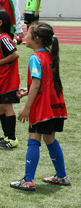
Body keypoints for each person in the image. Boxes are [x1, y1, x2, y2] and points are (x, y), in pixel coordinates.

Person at [11, 22, 69, 191]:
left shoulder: (35, 57)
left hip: (42, 108)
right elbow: (45, 83)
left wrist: (27, 107)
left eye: (27, 33)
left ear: (36, 39)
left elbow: (37, 83)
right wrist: (28, 91)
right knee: (50, 138)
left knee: (33, 139)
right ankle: (62, 176)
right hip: (56, 105)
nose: (23, 36)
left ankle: (28, 180)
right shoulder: (49, 55)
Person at [0, 9, 21, 149]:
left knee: (6, 107)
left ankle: (12, 139)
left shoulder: (4, 38)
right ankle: (6, 135)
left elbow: (15, 54)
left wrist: (0, 63)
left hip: (8, 80)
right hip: (0, 78)